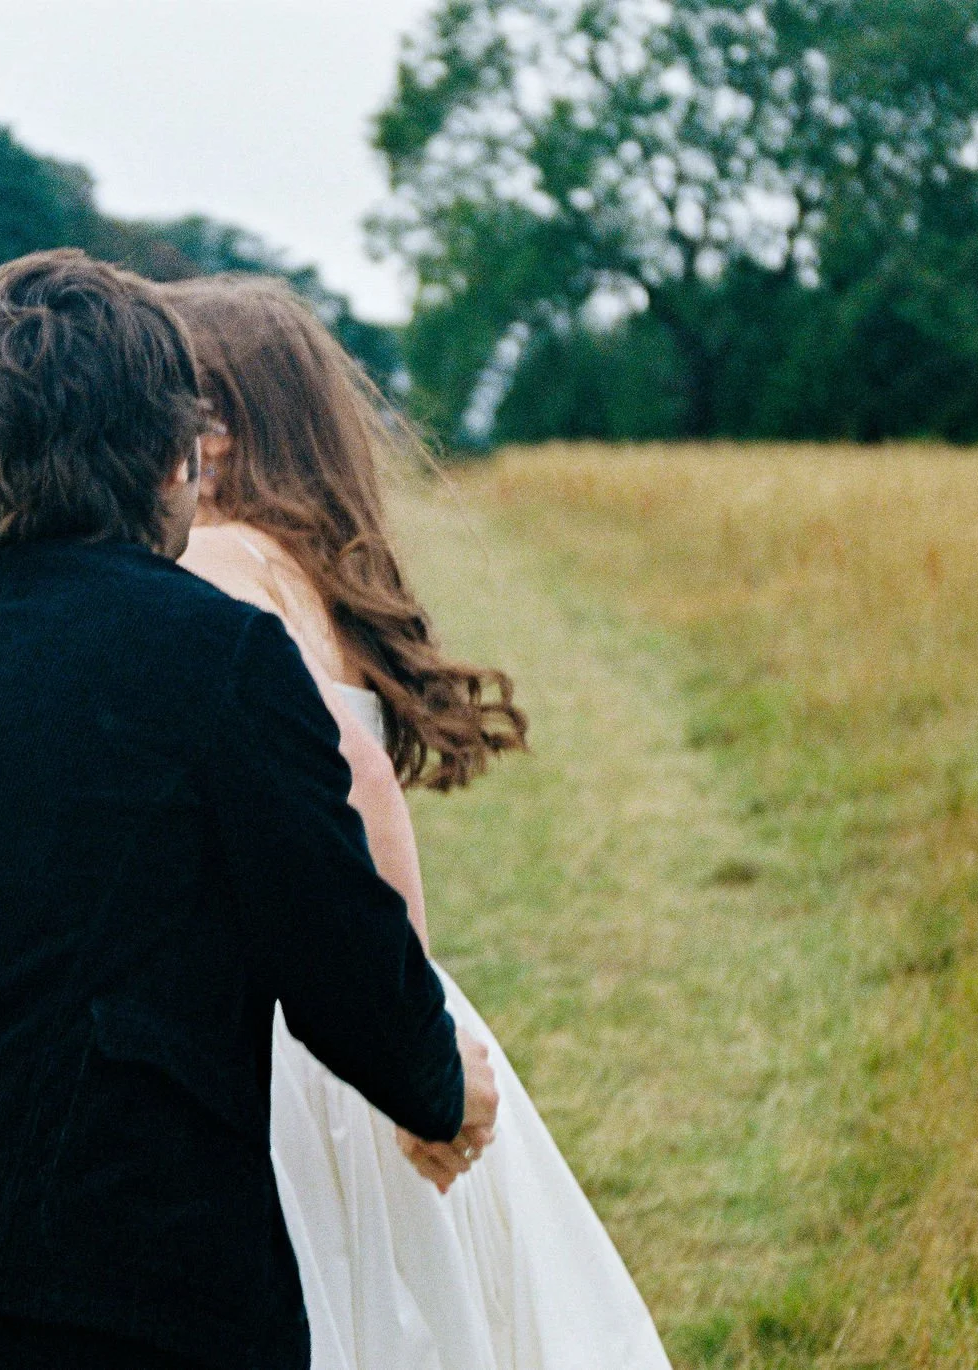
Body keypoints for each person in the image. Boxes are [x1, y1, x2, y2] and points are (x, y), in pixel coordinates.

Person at [0, 249, 499, 1370]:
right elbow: (334, 945)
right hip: (105, 1269)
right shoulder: (218, 653)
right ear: (175, 458)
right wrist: (438, 1087)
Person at [170, 272, 674, 1370]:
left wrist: (407, 1039)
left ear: (224, 431)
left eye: (170, 402)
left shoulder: (215, 560)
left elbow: (360, 783)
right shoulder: (295, 563)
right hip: (349, 989)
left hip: (292, 1020)